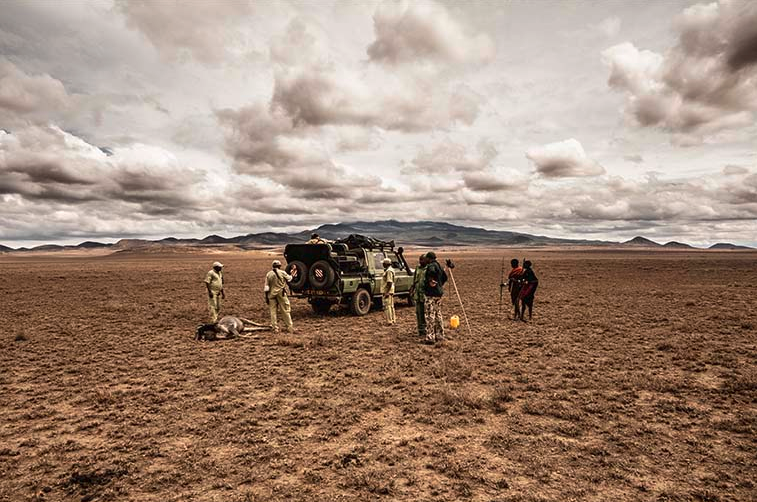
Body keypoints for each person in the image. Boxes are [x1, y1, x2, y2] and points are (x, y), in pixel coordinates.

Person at [423, 251, 447, 344]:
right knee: (438, 314)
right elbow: (445, 277)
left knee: (430, 315)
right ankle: (440, 335)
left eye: (426, 258)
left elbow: (432, 272)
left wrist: (431, 281)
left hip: (431, 294)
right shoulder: (440, 266)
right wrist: (439, 285)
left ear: (429, 258)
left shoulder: (431, 266)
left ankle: (430, 337)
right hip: (438, 294)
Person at [264, 259, 294, 333]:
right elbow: (290, 279)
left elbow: (266, 287)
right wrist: (293, 272)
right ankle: (289, 327)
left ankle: (275, 328)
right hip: (281, 293)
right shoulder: (282, 273)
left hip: (271, 294)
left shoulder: (269, 274)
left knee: (273, 311)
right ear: (280, 266)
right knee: (285, 310)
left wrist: (266, 297)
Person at [409, 255, 428, 337]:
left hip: (425, 294)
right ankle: (421, 330)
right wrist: (412, 288)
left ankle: (427, 329)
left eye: (422, 260)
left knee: (426, 313)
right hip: (417, 294)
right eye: (420, 260)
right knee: (419, 313)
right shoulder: (418, 268)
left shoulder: (428, 269)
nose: (420, 261)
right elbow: (415, 279)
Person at [381, 257, 396, 325]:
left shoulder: (388, 271)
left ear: (386, 264)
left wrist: (386, 292)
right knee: (391, 306)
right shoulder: (390, 270)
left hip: (388, 291)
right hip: (390, 291)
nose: (383, 264)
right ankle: (393, 320)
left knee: (388, 307)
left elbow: (389, 282)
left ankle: (389, 321)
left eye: (383, 263)